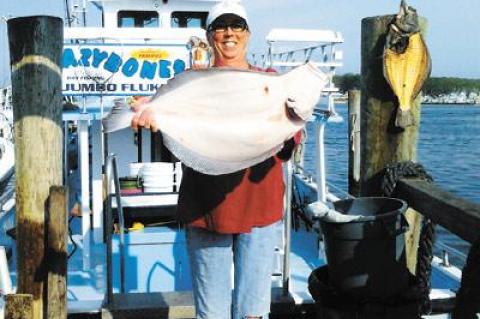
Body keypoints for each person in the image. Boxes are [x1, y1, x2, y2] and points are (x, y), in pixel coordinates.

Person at [131, 1, 302, 318]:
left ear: (248, 34)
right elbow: (179, 136)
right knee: (212, 313)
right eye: (221, 26)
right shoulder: (193, 82)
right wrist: (151, 114)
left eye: (237, 26)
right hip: (206, 208)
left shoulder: (272, 81)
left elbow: (288, 139)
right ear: (209, 36)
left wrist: (293, 124)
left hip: (260, 210)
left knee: (253, 313)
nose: (229, 33)